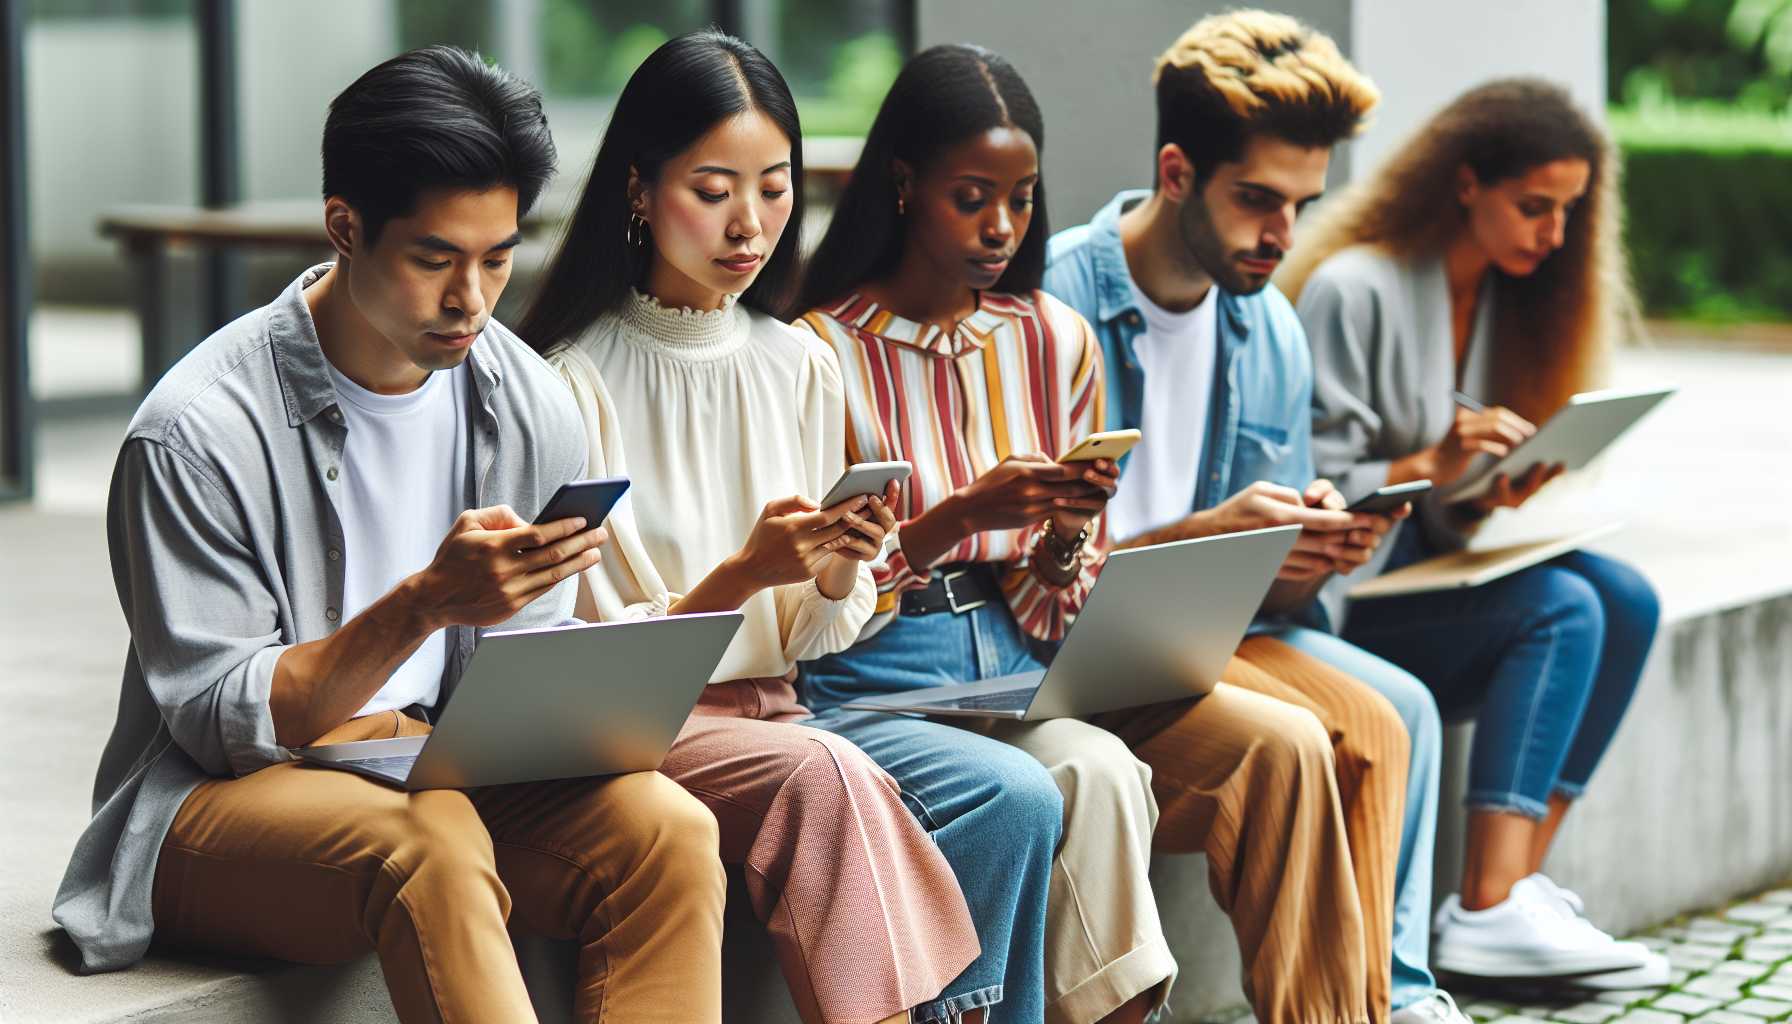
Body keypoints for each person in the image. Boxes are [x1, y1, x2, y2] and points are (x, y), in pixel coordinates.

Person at [52, 47, 728, 1023]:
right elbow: (220, 723)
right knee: (433, 842)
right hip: (223, 805)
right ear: (345, 228)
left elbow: (516, 673)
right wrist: (424, 604)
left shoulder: (529, 401)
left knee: (665, 830)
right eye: (435, 258)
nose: (473, 298)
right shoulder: (196, 431)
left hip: (430, 763)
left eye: (498, 256)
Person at [797, 42, 1388, 1024]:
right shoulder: (817, 352)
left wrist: (1064, 538)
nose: (1001, 227)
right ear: (902, 186)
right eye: (972, 196)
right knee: (1092, 772)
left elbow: (1051, 602)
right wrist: (949, 522)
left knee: (1211, 750)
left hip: (1024, 662)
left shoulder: (1046, 337)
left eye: (1022, 199)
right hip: (875, 671)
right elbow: (814, 602)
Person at [518, 31, 985, 1024]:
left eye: (775, 187)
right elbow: (574, 662)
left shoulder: (799, 362)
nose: (751, 222)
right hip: (638, 730)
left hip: (781, 713)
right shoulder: (569, 381)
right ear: (637, 190)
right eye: (714, 187)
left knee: (878, 769)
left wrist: (827, 575)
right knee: (826, 771)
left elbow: (822, 637)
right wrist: (741, 575)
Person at [1043, 13, 1466, 1023]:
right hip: (1076, 647)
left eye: (1302, 204)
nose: (1282, 236)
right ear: (1178, 170)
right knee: (1296, 740)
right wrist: (1214, 534)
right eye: (1257, 201)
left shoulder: (1266, 323)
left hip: (1210, 634)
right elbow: (1036, 573)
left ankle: (1380, 1000)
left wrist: (1319, 545)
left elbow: (1266, 588)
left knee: (1381, 714)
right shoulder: (1054, 301)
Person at [1278, 78, 1663, 985]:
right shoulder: (1353, 289)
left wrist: (1486, 494)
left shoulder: (1508, 300)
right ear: (1464, 185)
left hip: (1428, 576)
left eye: (1569, 211)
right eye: (1534, 207)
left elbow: (1446, 506)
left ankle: (1516, 884)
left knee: (1629, 598)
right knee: (1562, 608)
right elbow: (1308, 492)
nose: (1554, 235)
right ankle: (1486, 908)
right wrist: (1432, 467)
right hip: (1336, 602)